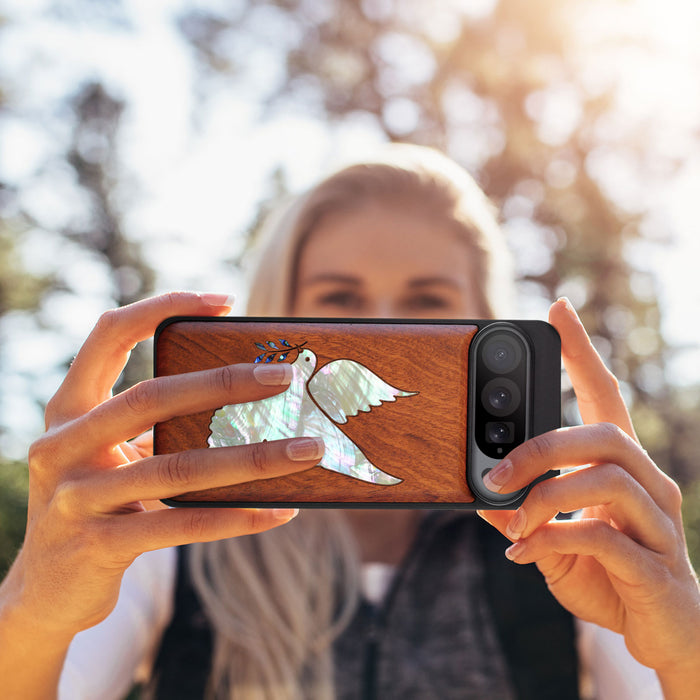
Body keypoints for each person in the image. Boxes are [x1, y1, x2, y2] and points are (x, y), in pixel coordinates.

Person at [0, 145, 698, 700]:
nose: (385, 325)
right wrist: (34, 607)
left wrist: (685, 648)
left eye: (428, 301)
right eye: (340, 298)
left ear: (487, 322)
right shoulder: (171, 536)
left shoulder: (567, 544)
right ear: (280, 314)